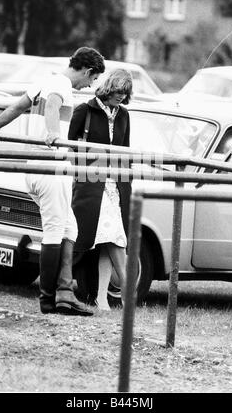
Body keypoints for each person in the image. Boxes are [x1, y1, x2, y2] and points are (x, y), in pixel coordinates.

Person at [0, 47, 105, 316]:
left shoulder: (44, 80)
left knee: (69, 228)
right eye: (92, 79)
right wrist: (52, 133)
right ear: (87, 71)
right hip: (50, 165)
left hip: (38, 167)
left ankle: (64, 292)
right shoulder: (60, 85)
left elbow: (16, 107)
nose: (89, 86)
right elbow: (52, 103)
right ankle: (48, 298)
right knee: (54, 229)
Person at [68, 68, 133, 310]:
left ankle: (102, 297)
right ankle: (127, 289)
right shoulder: (85, 110)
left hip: (115, 185)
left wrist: (127, 183)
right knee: (108, 235)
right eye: (118, 91)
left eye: (125, 93)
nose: (121, 97)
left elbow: (125, 151)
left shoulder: (124, 115)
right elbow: (70, 147)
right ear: (109, 88)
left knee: (112, 236)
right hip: (90, 184)